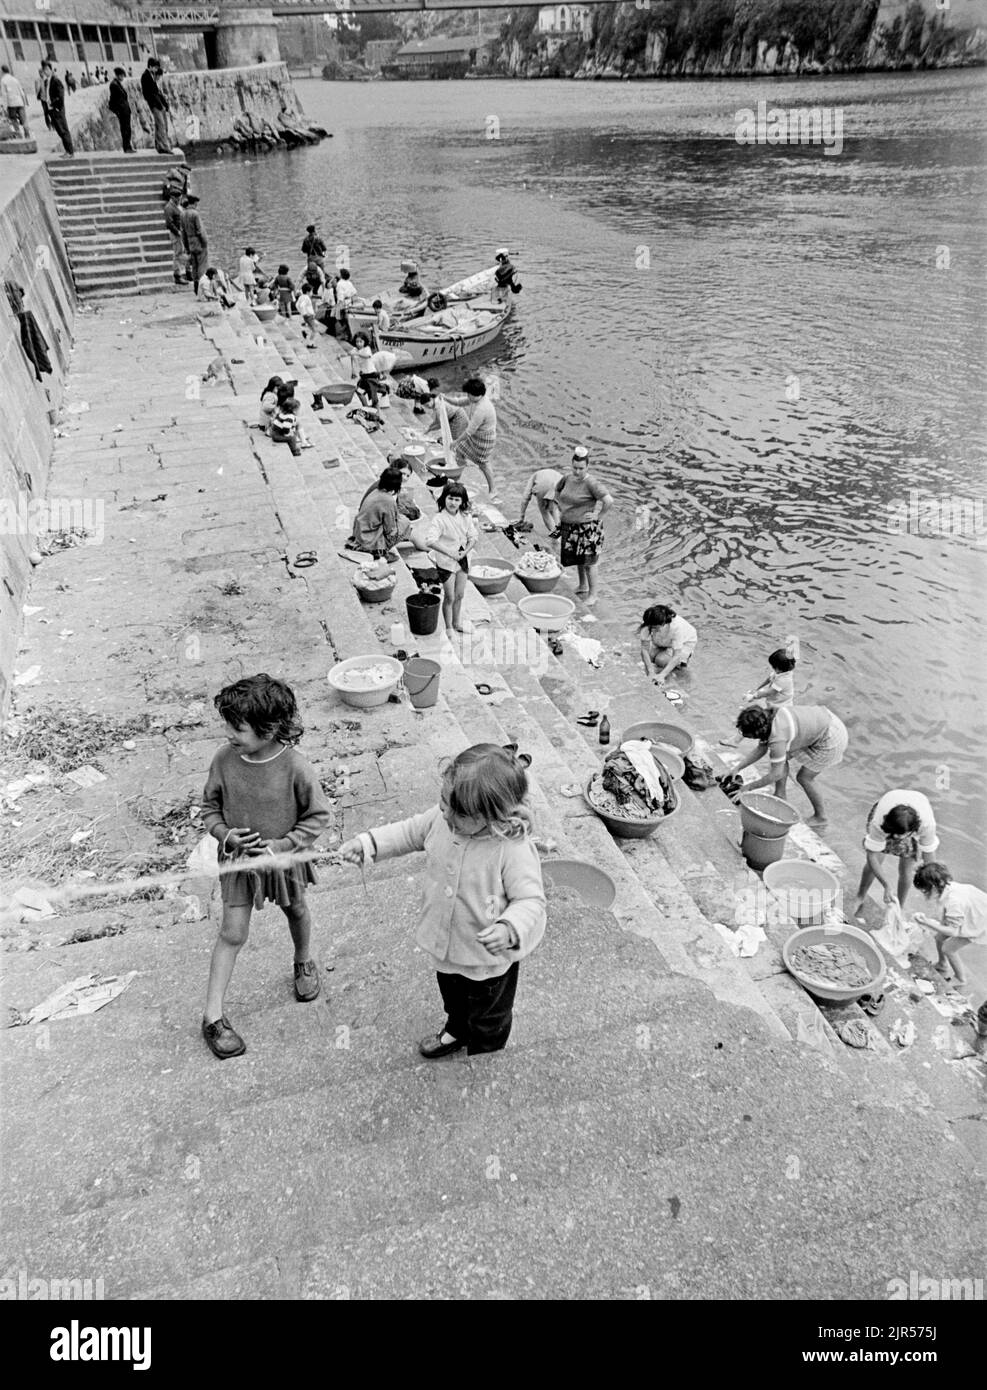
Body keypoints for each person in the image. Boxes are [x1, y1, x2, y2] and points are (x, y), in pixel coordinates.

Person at [336, 744, 546, 1058]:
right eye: (444, 802)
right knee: (454, 998)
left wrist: (510, 927)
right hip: (447, 946)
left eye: (458, 813)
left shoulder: (511, 849)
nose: (445, 814)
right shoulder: (442, 818)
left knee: (489, 1018)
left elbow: (530, 899)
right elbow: (408, 832)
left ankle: (486, 1056)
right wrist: (368, 844)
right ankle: (457, 1030)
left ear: (493, 815)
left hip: (489, 965)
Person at [200, 674, 332, 1058]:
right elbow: (209, 808)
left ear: (270, 729)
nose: (228, 733)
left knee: (296, 908)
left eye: (237, 727)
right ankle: (212, 1017)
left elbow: (319, 816)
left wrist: (283, 846)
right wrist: (226, 835)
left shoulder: (295, 767)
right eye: (227, 724)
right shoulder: (224, 760)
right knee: (232, 934)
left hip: (283, 862)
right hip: (239, 864)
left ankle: (303, 961)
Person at [731, 704, 849, 828]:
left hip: (831, 737)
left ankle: (821, 817)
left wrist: (747, 788)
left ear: (757, 732)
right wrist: (737, 768)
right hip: (824, 720)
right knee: (782, 757)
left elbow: (776, 774)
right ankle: (780, 795)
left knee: (804, 778)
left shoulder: (778, 737)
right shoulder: (770, 715)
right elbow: (761, 748)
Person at [852, 790, 940, 917]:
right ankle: (860, 895)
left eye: (901, 836)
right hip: (889, 809)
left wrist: (934, 887)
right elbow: (872, 856)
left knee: (906, 869)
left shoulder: (927, 826)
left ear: (912, 832)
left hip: (915, 814)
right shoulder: (879, 822)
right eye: (893, 835)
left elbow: (930, 860)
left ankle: (900, 907)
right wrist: (886, 885)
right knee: (877, 859)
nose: (896, 838)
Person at [912, 863, 987, 989]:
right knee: (939, 938)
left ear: (934, 887)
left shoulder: (954, 901)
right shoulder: (949, 887)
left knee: (948, 948)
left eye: (925, 891)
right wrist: (936, 923)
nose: (924, 894)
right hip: (974, 914)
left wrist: (927, 922)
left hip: (980, 924)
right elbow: (948, 916)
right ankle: (942, 964)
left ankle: (960, 978)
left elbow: (953, 931)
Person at [555, 446, 613, 605]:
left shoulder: (591, 483)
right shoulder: (567, 478)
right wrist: (560, 506)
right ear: (571, 465)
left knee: (589, 563)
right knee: (577, 559)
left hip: (587, 528)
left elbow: (608, 501)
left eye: (581, 468)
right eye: (575, 467)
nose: (577, 471)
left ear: (587, 467)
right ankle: (582, 585)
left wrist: (598, 515)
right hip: (570, 526)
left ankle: (593, 595)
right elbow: (557, 490)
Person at [426, 481, 479, 636]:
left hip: (462, 559)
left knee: (460, 594)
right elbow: (430, 540)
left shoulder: (465, 516)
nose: (453, 502)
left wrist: (466, 551)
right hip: (446, 561)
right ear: (444, 499)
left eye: (457, 500)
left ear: (462, 502)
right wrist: (450, 552)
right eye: (450, 498)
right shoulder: (439, 519)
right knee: (449, 596)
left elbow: (473, 536)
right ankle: (449, 627)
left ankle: (457, 623)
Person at [720, 644, 797, 746]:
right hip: (772, 704)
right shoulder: (780, 672)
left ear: (779, 667)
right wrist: (756, 690)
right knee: (754, 718)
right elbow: (769, 679)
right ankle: (740, 736)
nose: (773, 669)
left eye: (774, 667)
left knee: (754, 721)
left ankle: (737, 740)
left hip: (779, 709)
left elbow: (769, 692)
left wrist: (754, 696)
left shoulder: (784, 680)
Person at [453, 377, 498, 499]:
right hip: (475, 436)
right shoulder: (475, 400)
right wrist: (444, 398)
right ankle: (460, 475)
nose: (467, 396)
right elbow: (458, 402)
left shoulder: (481, 408)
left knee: (483, 464)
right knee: (460, 450)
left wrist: (455, 442)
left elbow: (468, 432)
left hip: (484, 439)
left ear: (476, 394)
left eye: (468, 394)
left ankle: (493, 489)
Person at [344, 467, 403, 558]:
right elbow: (389, 528)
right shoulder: (388, 500)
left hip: (360, 533)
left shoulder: (376, 491)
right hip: (368, 538)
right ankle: (381, 550)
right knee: (405, 524)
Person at [639, 604, 699, 686]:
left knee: (661, 660)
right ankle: (665, 663)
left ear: (664, 623)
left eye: (656, 628)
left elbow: (676, 656)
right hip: (665, 640)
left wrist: (662, 675)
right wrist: (651, 671)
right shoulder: (647, 624)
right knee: (650, 656)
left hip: (685, 641)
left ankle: (682, 666)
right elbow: (644, 649)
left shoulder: (676, 627)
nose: (653, 630)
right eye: (651, 627)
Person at [516, 467, 563, 535]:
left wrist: (521, 518)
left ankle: (555, 534)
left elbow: (525, 498)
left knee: (545, 512)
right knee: (553, 509)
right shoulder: (542, 474)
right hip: (559, 482)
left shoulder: (532, 478)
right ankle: (560, 531)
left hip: (543, 485)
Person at [140, 56, 171, 154]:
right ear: (150, 66)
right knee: (161, 125)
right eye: (155, 67)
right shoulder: (146, 76)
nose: (157, 69)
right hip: (155, 104)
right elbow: (150, 94)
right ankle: (165, 147)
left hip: (157, 104)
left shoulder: (150, 75)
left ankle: (159, 146)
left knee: (160, 125)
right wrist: (159, 104)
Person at [42, 62, 73, 156]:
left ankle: (70, 152)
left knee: (63, 130)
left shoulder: (56, 80)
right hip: (52, 110)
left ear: (51, 70)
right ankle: (67, 151)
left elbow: (61, 95)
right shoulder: (47, 81)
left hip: (57, 109)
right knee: (60, 131)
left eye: (47, 69)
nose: (46, 72)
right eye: (44, 70)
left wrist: (57, 106)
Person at [180, 193, 207, 293]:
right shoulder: (195, 214)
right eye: (196, 204)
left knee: (194, 265)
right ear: (194, 203)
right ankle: (202, 287)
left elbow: (183, 233)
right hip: (198, 242)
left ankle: (195, 287)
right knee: (202, 265)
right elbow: (200, 231)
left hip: (190, 242)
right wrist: (204, 242)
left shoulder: (182, 214)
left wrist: (186, 246)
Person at [163, 191, 187, 285]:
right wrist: (177, 232)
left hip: (180, 232)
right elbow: (169, 223)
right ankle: (177, 275)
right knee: (177, 255)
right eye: (178, 198)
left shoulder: (177, 206)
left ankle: (185, 271)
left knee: (180, 252)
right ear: (173, 197)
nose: (179, 200)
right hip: (175, 234)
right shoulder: (169, 207)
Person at [108, 68, 133, 153]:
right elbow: (113, 100)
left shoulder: (117, 84)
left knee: (127, 129)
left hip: (125, 110)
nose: (123, 77)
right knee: (125, 130)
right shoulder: (114, 85)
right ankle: (126, 147)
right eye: (122, 75)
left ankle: (128, 146)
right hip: (122, 111)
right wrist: (117, 112)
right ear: (118, 75)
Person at [1, 66, 29, 138]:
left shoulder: (3, 80)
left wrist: (4, 107)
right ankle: (27, 134)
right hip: (20, 102)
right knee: (24, 119)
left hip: (11, 104)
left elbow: (4, 95)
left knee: (14, 120)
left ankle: (19, 135)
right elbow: (21, 92)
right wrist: (24, 102)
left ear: (2, 71)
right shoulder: (15, 79)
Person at [35, 65, 52, 130]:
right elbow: (37, 90)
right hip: (43, 98)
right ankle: (49, 126)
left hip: (48, 98)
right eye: (40, 72)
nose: (41, 73)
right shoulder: (37, 80)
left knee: (51, 112)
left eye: (42, 72)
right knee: (46, 113)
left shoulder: (47, 79)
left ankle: (53, 125)